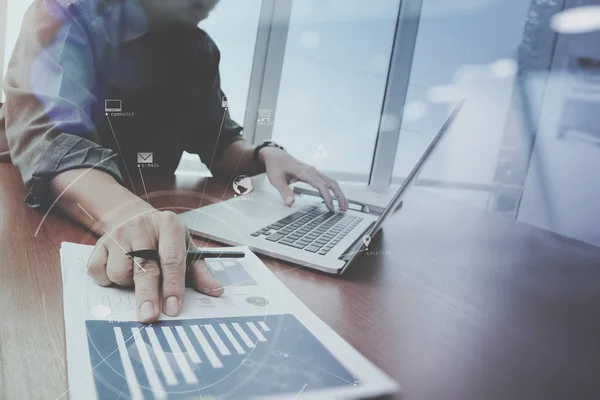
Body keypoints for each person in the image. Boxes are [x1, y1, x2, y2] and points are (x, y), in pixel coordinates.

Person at [0, 0, 348, 323]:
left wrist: (265, 154)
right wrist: (130, 216)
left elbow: (220, 142)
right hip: (29, 207)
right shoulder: (66, 11)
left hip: (146, 201)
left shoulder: (199, 50)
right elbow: (57, 143)